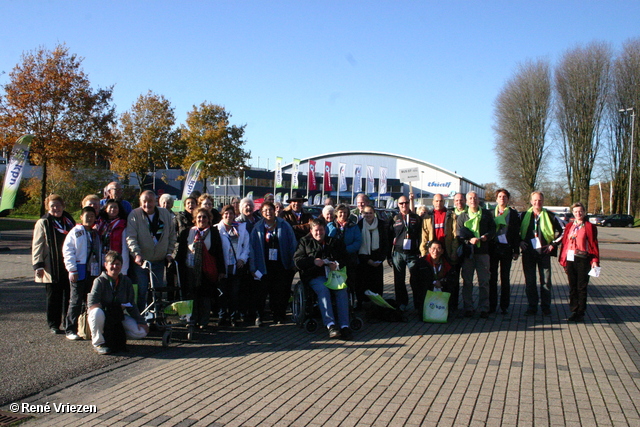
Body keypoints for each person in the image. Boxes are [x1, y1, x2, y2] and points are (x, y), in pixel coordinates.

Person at [294, 218, 352, 340]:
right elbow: (298, 261)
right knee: (323, 289)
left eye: (321, 230)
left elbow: (346, 258)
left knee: (342, 290)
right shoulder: (304, 242)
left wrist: (336, 264)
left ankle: (345, 326)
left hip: (333, 275)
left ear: (325, 230)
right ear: (311, 230)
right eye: (316, 230)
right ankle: (330, 325)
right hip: (315, 276)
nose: (319, 233)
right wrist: (313, 261)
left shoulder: (334, 242)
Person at [87, 251, 149, 355]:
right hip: (103, 315)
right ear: (106, 265)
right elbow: (92, 304)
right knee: (96, 312)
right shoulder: (99, 281)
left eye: (118, 264)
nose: (115, 267)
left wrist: (141, 322)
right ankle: (98, 342)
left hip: (118, 315)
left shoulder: (126, 281)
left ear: (121, 265)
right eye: (112, 264)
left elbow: (131, 305)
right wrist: (112, 307)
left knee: (141, 332)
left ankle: (114, 337)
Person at [126, 190, 177, 313]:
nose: (147, 204)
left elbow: (172, 235)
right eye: (144, 201)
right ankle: (140, 317)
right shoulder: (134, 215)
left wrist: (169, 253)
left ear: (155, 201)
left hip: (159, 260)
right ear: (140, 202)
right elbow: (131, 237)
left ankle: (156, 317)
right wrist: (136, 254)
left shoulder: (165, 214)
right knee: (142, 290)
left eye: (150, 201)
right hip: (142, 261)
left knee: (157, 291)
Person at [32, 194, 76, 334]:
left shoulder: (69, 221)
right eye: (52, 206)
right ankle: (53, 324)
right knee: (54, 297)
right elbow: (37, 244)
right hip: (52, 265)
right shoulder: (44, 222)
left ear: (63, 206)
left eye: (58, 205)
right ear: (48, 207)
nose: (55, 208)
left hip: (68, 264)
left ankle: (68, 322)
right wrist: (38, 265)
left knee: (70, 296)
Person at [175, 207, 225, 329]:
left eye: (204, 217)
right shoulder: (187, 232)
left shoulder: (213, 233)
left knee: (205, 297)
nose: (201, 219)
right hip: (190, 269)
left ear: (209, 219)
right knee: (190, 295)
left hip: (206, 271)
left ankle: (204, 321)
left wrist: (221, 270)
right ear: (194, 219)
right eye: (199, 217)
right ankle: (190, 319)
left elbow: (219, 252)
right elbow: (181, 251)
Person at [249, 202, 297, 325]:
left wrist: (293, 262)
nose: (268, 212)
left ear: (274, 210)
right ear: (261, 212)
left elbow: (292, 244)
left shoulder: (284, 225)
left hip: (280, 264)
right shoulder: (257, 227)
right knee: (261, 292)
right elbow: (252, 249)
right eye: (265, 210)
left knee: (278, 292)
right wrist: (253, 268)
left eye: (270, 210)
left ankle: (278, 315)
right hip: (263, 265)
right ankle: (259, 316)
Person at [519, 191, 564, 316]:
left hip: (544, 253)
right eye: (535, 200)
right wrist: (520, 242)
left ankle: (546, 307)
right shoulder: (523, 216)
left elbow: (564, 230)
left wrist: (553, 244)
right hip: (528, 253)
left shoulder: (550, 216)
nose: (537, 202)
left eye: (540, 200)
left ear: (543, 202)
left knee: (546, 282)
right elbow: (512, 231)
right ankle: (532, 307)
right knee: (530, 282)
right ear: (531, 201)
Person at [62, 206, 102, 340]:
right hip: (79, 269)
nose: (90, 219)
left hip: (93, 270)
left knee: (90, 299)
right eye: (87, 216)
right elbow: (68, 251)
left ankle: (87, 327)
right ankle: (70, 329)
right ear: (81, 217)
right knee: (75, 300)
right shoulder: (76, 231)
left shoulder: (96, 233)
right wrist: (72, 269)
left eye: (92, 216)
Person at [559, 202, 599, 322]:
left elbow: (593, 244)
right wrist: (563, 259)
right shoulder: (569, 226)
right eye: (576, 211)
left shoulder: (589, 226)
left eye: (580, 211)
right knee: (572, 286)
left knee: (581, 287)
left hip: (583, 259)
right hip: (570, 258)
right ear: (573, 213)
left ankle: (580, 312)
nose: (578, 213)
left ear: (584, 212)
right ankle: (573, 309)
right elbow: (565, 242)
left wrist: (595, 260)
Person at [457, 191, 495, 318]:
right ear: (467, 202)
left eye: (475, 198)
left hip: (483, 252)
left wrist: (485, 237)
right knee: (467, 282)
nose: (473, 200)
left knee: (484, 282)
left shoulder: (486, 214)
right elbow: (459, 234)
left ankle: (484, 308)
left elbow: (493, 230)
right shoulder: (463, 216)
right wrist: (469, 240)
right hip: (468, 253)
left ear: (479, 200)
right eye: (470, 198)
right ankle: (468, 307)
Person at [419, 193, 459, 314]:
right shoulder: (428, 216)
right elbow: (424, 235)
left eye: (441, 201)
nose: (438, 203)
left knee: (450, 280)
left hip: (446, 251)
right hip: (433, 252)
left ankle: (451, 306)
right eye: (436, 201)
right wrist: (424, 252)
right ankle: (431, 306)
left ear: (444, 202)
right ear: (433, 202)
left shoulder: (451, 215)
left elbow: (455, 235)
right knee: (431, 278)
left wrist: (453, 251)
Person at [387, 195, 422, 311]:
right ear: (398, 205)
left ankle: (418, 304)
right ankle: (401, 303)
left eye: (406, 203)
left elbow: (421, 235)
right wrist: (389, 256)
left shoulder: (416, 218)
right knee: (399, 280)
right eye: (401, 203)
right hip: (398, 253)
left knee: (416, 279)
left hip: (413, 253)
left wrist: (421, 251)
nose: (404, 205)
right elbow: (389, 237)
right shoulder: (394, 218)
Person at [216, 205, 250, 326]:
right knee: (222, 293)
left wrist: (242, 259)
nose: (228, 216)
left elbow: (247, 246)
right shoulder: (217, 229)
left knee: (234, 293)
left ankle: (233, 317)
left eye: (231, 213)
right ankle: (222, 316)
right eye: (226, 213)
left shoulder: (241, 228)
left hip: (236, 266)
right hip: (223, 267)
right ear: (222, 214)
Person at [489, 189, 521, 315]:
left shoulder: (513, 214)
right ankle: (492, 305)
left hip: (507, 248)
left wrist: (516, 250)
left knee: (505, 278)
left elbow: (516, 233)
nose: (502, 198)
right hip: (493, 248)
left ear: (508, 199)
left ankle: (504, 305)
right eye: (500, 196)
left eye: (505, 197)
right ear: (496, 199)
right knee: (492, 278)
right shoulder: (491, 212)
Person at [327, 204, 362, 305]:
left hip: (349, 259)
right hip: (334, 259)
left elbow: (358, 242)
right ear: (336, 213)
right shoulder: (330, 226)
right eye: (340, 212)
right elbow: (327, 240)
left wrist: (346, 250)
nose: (343, 214)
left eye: (345, 212)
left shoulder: (353, 226)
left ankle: (350, 304)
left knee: (350, 282)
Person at [416, 240, 457, 315]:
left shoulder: (447, 264)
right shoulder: (421, 263)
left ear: (442, 251)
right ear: (429, 250)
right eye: (433, 248)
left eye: (438, 249)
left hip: (442, 289)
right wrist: (433, 282)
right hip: (427, 290)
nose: (435, 251)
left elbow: (452, 279)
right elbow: (417, 280)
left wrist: (441, 283)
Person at [357, 205, 388, 298]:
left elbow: (385, 242)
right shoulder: (360, 225)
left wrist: (381, 259)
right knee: (364, 283)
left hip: (377, 259)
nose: (368, 215)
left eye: (370, 213)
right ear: (363, 214)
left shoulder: (381, 224)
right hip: (364, 259)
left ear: (374, 213)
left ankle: (377, 303)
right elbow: (359, 244)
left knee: (377, 284)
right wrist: (367, 260)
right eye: (366, 213)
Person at [97, 199, 129, 275]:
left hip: (115, 261)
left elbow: (125, 247)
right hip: (102, 259)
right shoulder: (101, 223)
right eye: (110, 207)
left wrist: (124, 269)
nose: (113, 209)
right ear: (106, 209)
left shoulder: (123, 225)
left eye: (115, 207)